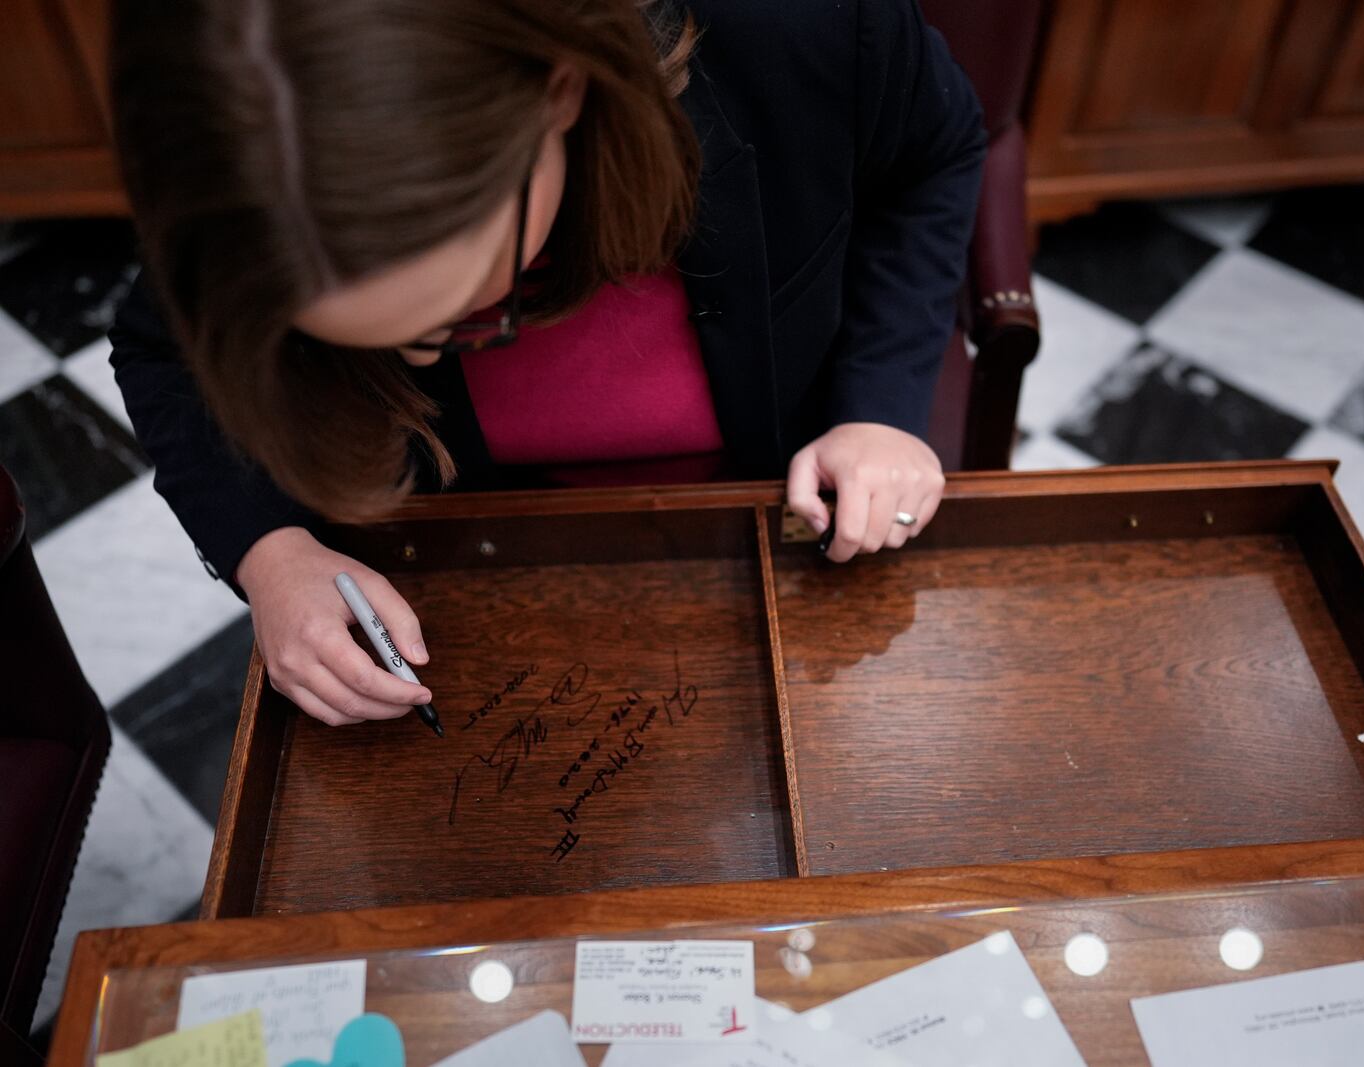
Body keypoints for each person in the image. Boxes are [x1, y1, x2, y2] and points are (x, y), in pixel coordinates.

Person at [107, 0, 985, 728]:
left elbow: (934, 155)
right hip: (465, 563)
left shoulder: (801, 26)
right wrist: (271, 551)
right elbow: (164, 347)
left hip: (772, 520)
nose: (421, 355)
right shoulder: (239, 148)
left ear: (560, 92)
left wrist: (878, 405)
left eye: (465, 306)